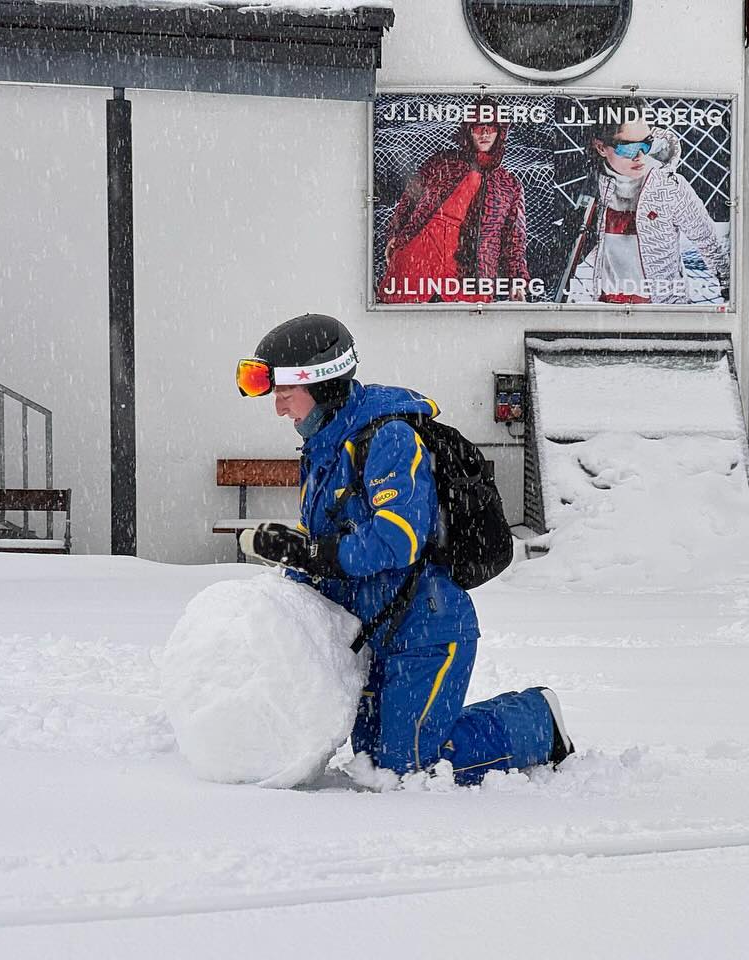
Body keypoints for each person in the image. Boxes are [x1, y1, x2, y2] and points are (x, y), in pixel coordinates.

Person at [234, 313, 572, 784]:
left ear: (323, 384)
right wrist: (290, 570)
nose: (279, 408)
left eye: (286, 393)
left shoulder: (389, 437)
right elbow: (325, 550)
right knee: (369, 759)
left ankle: (538, 720)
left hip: (425, 629)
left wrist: (311, 552)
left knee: (406, 766)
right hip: (375, 633)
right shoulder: (324, 451)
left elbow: (397, 541)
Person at [375, 102, 528, 304]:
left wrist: (516, 280)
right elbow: (409, 200)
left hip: (472, 264)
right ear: (468, 130)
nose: (484, 133)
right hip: (422, 246)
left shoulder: (508, 185)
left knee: (467, 324)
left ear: (500, 131)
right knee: (398, 313)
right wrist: (395, 235)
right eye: (477, 126)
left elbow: (513, 238)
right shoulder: (442, 162)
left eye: (490, 127)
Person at [578, 106, 729, 305]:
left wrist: (728, 282)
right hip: (605, 306)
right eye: (628, 147)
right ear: (601, 148)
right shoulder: (593, 186)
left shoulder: (670, 186)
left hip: (662, 309)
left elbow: (707, 239)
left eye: (647, 144)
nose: (640, 155)